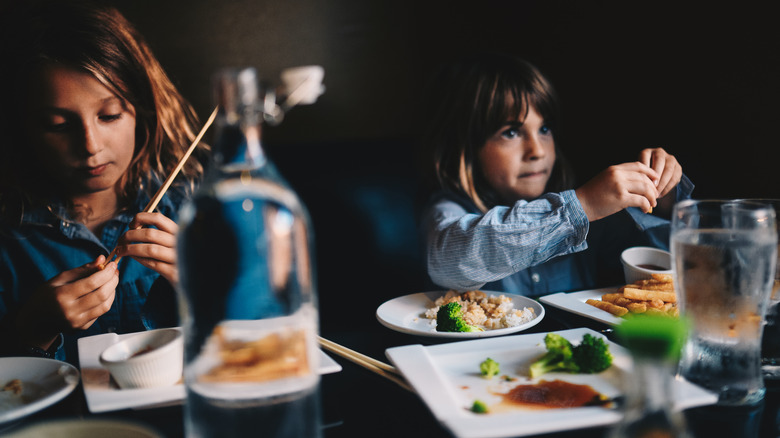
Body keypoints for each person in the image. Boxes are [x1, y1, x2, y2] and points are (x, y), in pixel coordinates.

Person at [0, 0, 206, 364]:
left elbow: (260, 334)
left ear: (140, 109)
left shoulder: (193, 204)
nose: (91, 147)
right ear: (22, 130)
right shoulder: (10, 237)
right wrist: (33, 330)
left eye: (109, 116)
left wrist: (206, 287)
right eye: (58, 125)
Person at [419, 52, 693, 296]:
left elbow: (671, 276)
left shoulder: (596, 221)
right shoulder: (448, 209)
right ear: (465, 148)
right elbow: (449, 262)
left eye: (544, 129)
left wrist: (664, 200)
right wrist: (578, 208)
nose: (537, 150)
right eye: (511, 132)